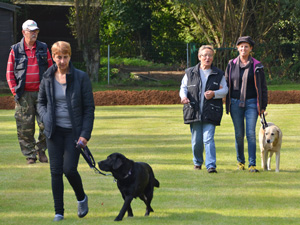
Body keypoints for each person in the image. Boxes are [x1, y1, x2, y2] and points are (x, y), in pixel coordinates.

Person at [37, 41, 95, 221]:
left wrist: (85, 134)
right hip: (54, 131)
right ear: (53, 57)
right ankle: (59, 212)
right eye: (58, 57)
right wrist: (46, 118)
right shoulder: (47, 77)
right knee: (55, 172)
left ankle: (81, 197)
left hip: (74, 132)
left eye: (65, 57)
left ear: (70, 57)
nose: (62, 61)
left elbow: (89, 109)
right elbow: (40, 102)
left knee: (69, 169)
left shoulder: (81, 77)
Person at [6, 19, 53, 164]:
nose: (34, 33)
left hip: (42, 93)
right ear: (23, 32)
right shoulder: (15, 50)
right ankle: (30, 155)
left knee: (47, 123)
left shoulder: (43, 48)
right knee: (25, 127)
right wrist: (15, 92)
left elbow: (51, 69)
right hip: (23, 94)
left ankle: (41, 150)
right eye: (31, 31)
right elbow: (9, 74)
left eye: (36, 31)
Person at [180, 45, 228, 173]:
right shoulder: (190, 72)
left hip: (211, 111)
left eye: (210, 55)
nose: (208, 58)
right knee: (196, 141)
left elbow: (225, 90)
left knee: (208, 138)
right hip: (193, 110)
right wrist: (183, 97)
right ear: (199, 57)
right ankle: (197, 162)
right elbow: (183, 88)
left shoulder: (219, 74)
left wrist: (214, 94)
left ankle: (211, 165)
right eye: (205, 55)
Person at [225, 36, 268, 172]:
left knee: (250, 134)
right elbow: (226, 84)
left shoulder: (257, 65)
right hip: (235, 102)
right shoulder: (231, 64)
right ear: (237, 48)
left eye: (246, 46)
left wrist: (262, 106)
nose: (243, 49)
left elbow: (263, 87)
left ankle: (252, 164)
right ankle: (240, 162)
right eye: (241, 46)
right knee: (239, 134)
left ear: (251, 49)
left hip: (252, 103)